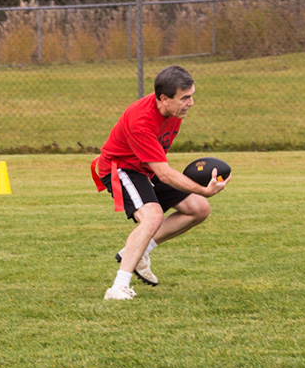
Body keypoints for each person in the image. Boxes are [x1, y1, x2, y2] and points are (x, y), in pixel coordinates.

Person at [92, 65, 230, 300]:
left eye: (192, 95)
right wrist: (203, 190)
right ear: (164, 99)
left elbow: (159, 165)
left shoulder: (174, 112)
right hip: (121, 167)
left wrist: (199, 195)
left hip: (146, 167)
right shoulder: (141, 120)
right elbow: (164, 173)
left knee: (198, 209)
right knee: (152, 216)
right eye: (185, 97)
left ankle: (139, 252)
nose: (191, 103)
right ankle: (118, 287)